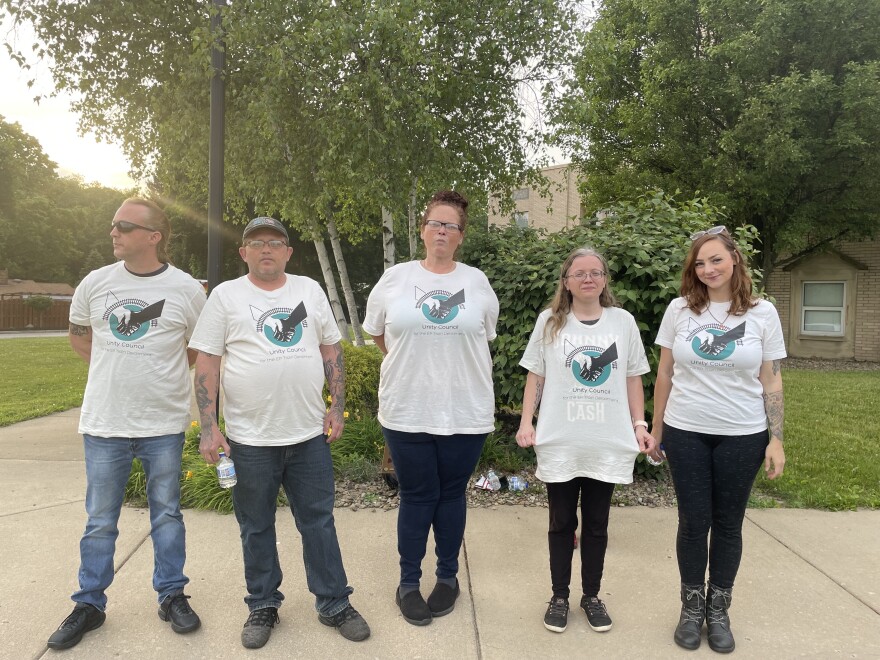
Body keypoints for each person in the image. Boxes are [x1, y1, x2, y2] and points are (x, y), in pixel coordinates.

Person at [190, 216, 370, 649]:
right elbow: (208, 363)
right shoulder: (226, 297)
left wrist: (338, 407)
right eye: (257, 243)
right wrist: (209, 428)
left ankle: (333, 602)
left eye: (275, 242)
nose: (266, 249)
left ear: (289, 252)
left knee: (319, 523)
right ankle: (263, 604)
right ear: (244, 252)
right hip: (250, 441)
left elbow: (331, 348)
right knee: (255, 526)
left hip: (308, 435)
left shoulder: (308, 290)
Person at [49, 198, 206, 650]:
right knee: (100, 521)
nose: (113, 232)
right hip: (105, 422)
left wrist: (154, 375)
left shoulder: (186, 290)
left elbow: (196, 348)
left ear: (153, 237)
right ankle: (89, 604)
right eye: (113, 225)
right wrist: (117, 370)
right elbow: (80, 337)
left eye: (124, 226)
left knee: (168, 515)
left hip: (162, 423)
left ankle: (172, 594)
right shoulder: (95, 283)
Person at [363, 190, 499, 626]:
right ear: (422, 230)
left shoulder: (476, 282)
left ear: (461, 236)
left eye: (451, 225)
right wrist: (411, 363)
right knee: (418, 495)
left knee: (451, 494)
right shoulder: (395, 279)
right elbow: (379, 335)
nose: (442, 231)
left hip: (465, 409)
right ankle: (407, 582)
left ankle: (447, 577)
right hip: (407, 407)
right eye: (435, 223)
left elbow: (482, 337)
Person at [650, 226, 786, 653]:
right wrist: (656, 431)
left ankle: (719, 610)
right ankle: (691, 608)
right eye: (700, 263)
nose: (708, 269)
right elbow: (665, 374)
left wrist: (776, 438)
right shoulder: (679, 310)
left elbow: (772, 380)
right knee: (693, 523)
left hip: (743, 434)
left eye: (716, 260)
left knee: (728, 524)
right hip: (686, 429)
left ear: (735, 260)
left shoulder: (762, 313)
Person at [515, 247, 656, 635]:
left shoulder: (622, 322)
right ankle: (559, 596)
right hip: (561, 439)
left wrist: (639, 424)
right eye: (579, 273)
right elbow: (536, 376)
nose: (588, 279)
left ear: (605, 280)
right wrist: (527, 422)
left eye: (595, 272)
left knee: (596, 524)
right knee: (562, 523)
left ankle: (591, 596)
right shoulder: (550, 322)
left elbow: (632, 377)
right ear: (566, 281)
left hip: (605, 441)